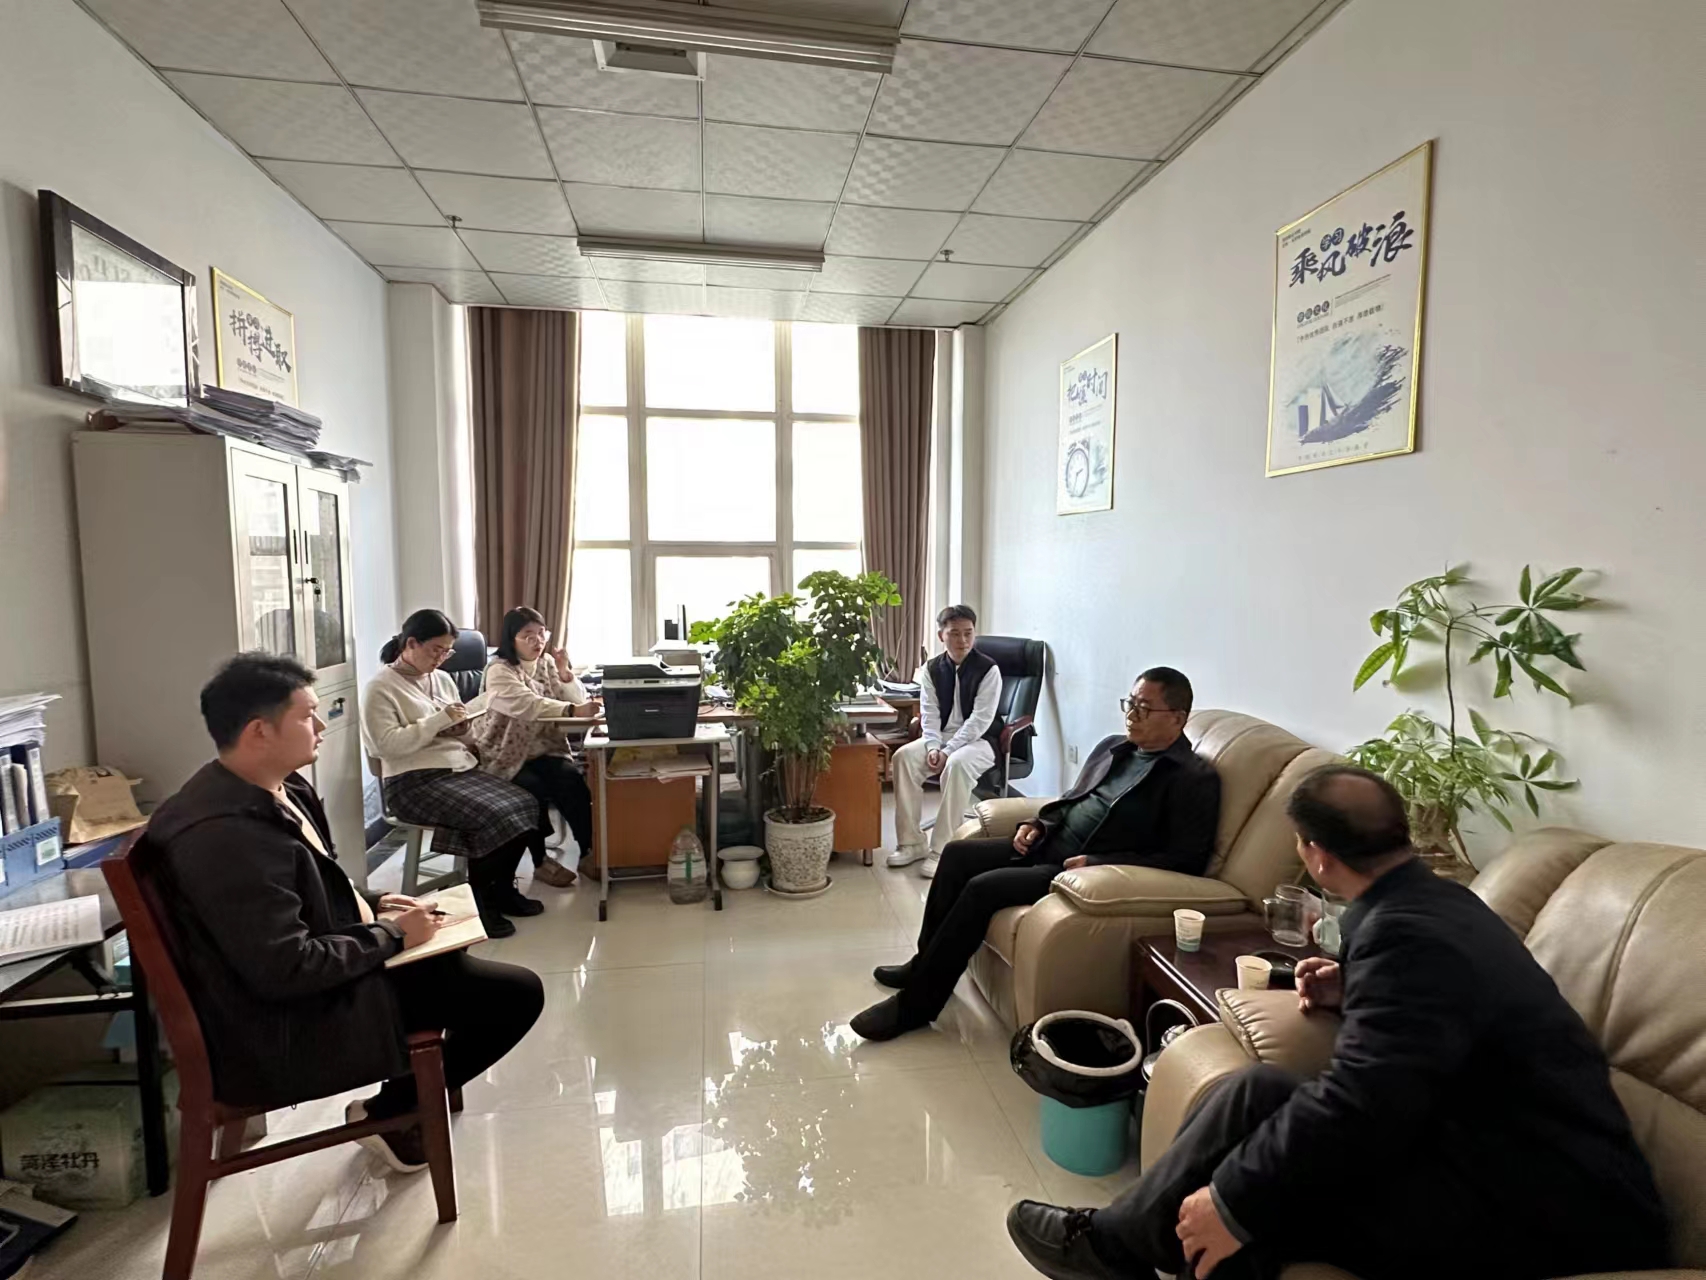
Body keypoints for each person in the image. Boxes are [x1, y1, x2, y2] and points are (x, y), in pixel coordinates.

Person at [1005, 764, 1670, 1280]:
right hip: (1495, 1154)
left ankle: (1118, 1245)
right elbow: (1441, 1016)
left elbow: (1364, 1102)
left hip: (1537, 1213)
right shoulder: (1442, 904)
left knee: (1249, 1214)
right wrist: (1353, 988)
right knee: (1256, 1090)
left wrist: (1231, 1201)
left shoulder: (1404, 935)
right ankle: (1118, 1243)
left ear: (1316, 856)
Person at [149, 653, 544, 1173]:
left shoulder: (277, 788)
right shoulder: (224, 836)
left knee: (452, 958)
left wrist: (376, 904)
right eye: (306, 716)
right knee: (514, 996)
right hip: (286, 1023)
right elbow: (285, 968)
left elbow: (307, 881)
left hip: (315, 978)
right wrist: (391, 935)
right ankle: (392, 1111)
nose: (320, 726)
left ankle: (406, 1106)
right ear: (259, 732)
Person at [852, 667, 1220, 1041]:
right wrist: (1039, 824)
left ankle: (916, 1006)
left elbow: (1186, 860)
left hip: (1075, 870)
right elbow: (1071, 800)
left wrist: (1099, 863)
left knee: (982, 888)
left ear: (1178, 718)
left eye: (1145, 708)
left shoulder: (1192, 779)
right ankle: (922, 964)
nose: (1132, 715)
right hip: (1048, 844)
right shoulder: (1114, 747)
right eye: (1130, 703)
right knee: (957, 855)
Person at [361, 609, 547, 938]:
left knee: (526, 803)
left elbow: (464, 733)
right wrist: (439, 721)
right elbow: (386, 746)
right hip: (412, 782)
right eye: (436, 650)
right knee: (491, 816)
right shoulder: (381, 687)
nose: (441, 658)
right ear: (411, 643)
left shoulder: (442, 679)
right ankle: (480, 901)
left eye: (447, 652)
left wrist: (463, 730)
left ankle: (504, 889)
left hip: (457, 769)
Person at [475, 606, 598, 888]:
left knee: (572, 782)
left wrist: (565, 672)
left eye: (542, 633)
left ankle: (588, 852)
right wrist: (571, 710)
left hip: (544, 747)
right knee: (532, 791)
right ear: (512, 639)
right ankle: (541, 860)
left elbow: (577, 698)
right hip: (504, 753)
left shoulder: (546, 663)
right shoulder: (499, 670)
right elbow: (527, 704)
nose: (537, 640)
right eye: (528, 635)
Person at [888, 604, 1004, 880]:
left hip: (980, 741)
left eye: (968, 633)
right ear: (941, 635)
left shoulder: (989, 670)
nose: (962, 640)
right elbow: (929, 714)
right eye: (954, 633)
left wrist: (947, 750)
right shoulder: (931, 669)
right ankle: (911, 842)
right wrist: (932, 746)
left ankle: (942, 850)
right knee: (903, 758)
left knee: (957, 764)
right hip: (941, 738)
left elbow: (980, 720)